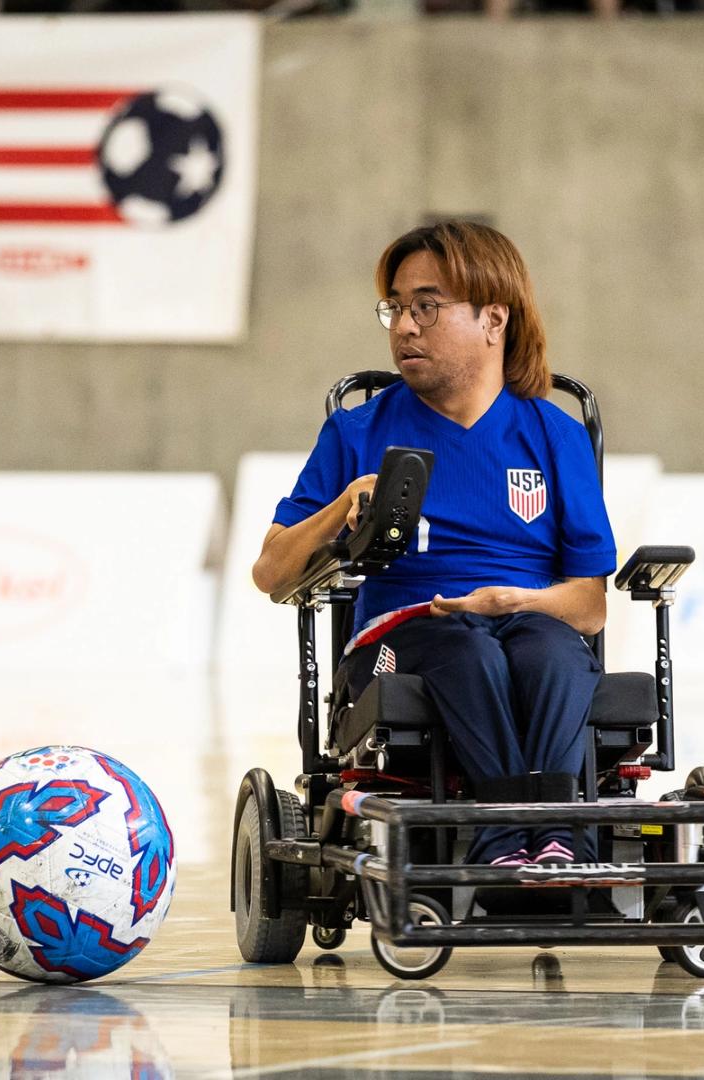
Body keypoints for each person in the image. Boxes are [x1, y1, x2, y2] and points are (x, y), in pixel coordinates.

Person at [252, 220, 617, 867]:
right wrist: (343, 506)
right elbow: (271, 572)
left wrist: (511, 602)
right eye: (395, 307)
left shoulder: (554, 436)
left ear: (493, 320)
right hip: (397, 642)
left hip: (524, 620)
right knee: (463, 649)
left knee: (553, 654)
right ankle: (508, 840)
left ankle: (558, 840)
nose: (403, 326)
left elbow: (589, 606)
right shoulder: (358, 430)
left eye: (426, 307)